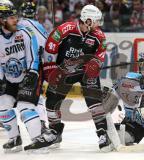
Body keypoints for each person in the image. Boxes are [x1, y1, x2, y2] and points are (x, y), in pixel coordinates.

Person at [43, 4, 113, 152]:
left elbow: (101, 53)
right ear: (88, 21)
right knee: (51, 100)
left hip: (85, 72)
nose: (99, 24)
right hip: (64, 71)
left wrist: (95, 65)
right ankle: (55, 131)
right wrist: (50, 69)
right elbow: (50, 47)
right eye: (96, 21)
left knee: (94, 99)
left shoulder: (99, 36)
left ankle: (102, 133)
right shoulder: (65, 29)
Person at [0, 1, 56, 153]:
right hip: (9, 78)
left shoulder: (25, 32)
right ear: (1, 19)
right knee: (2, 106)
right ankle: (14, 138)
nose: (15, 20)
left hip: (29, 74)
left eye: (15, 16)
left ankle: (38, 139)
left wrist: (32, 72)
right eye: (11, 17)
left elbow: (33, 56)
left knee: (25, 107)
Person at [18, 1, 49, 132]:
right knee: (37, 97)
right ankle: (41, 123)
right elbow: (46, 47)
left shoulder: (16, 24)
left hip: (15, 66)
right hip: (34, 66)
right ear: (35, 13)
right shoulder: (39, 27)